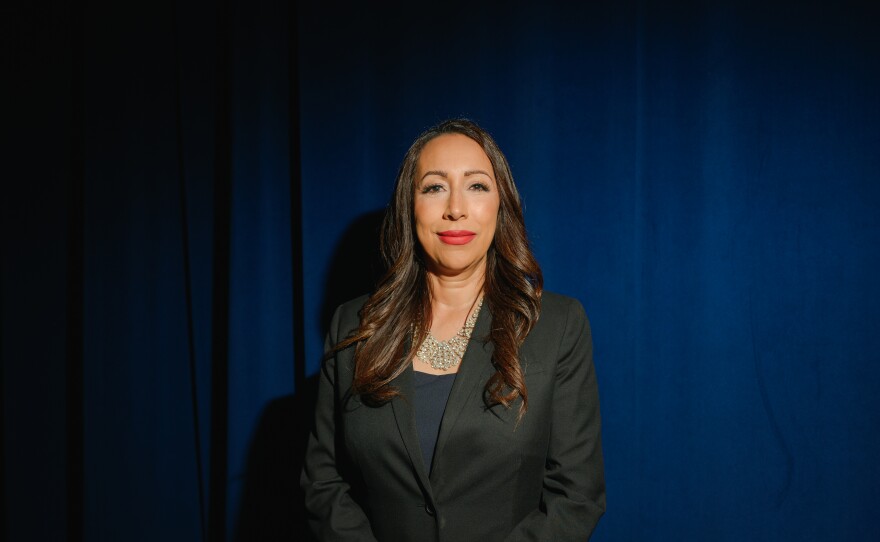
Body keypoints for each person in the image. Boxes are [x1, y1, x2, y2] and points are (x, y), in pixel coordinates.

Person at [301, 119, 605, 541]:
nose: (456, 208)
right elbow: (323, 481)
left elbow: (576, 496)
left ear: (501, 204)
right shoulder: (353, 325)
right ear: (409, 206)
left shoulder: (557, 325)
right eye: (434, 187)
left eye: (477, 186)